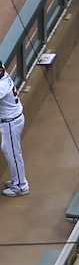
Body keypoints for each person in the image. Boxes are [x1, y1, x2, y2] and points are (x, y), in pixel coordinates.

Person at [0, 63, 28, 196]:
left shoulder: (2, 85)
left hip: (11, 124)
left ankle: (21, 186)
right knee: (6, 148)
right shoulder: (4, 76)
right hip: (13, 120)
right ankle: (17, 180)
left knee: (14, 154)